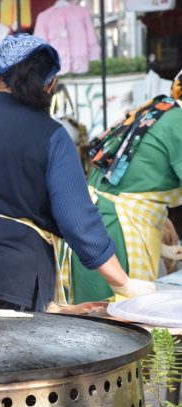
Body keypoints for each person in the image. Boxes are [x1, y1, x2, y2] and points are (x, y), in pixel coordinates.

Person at [0, 33, 154, 312]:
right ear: (50, 84)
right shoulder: (52, 135)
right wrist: (123, 284)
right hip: (10, 279)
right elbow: (78, 224)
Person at [70, 68, 182, 302]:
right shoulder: (177, 122)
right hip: (115, 233)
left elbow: (139, 176)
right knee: (117, 326)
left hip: (95, 225)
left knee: (97, 325)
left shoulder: (159, 109)